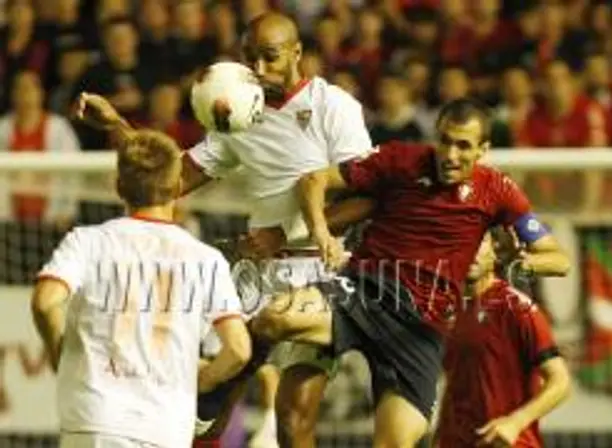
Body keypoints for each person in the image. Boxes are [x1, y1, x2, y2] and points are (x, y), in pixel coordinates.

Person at [74, 11, 373, 448]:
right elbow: (169, 179)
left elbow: (369, 197)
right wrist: (118, 124)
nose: (259, 69)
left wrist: (285, 236)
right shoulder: (236, 111)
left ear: (297, 53)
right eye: (250, 58)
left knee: (293, 421)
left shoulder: (334, 108)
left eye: (270, 57)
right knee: (200, 416)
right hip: (257, 275)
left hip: (318, 275)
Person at [248, 98, 571, 447]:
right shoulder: (400, 159)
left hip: (421, 325)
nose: (450, 154)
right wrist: (321, 232)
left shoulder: (498, 190)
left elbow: (558, 259)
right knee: (273, 320)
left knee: (396, 442)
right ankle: (229, 377)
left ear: (483, 150)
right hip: (365, 289)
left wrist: (517, 263)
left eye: (463, 146)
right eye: (445, 140)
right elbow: (314, 179)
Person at [30, 130, 252, 448]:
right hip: (165, 427)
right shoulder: (207, 260)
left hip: (94, 419)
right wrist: (204, 379)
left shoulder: (88, 241)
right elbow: (239, 350)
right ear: (178, 188)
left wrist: (57, 350)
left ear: (118, 187)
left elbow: (44, 302)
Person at [435, 232, 572, 447]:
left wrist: (515, 423)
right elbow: (455, 385)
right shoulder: (447, 311)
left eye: (479, 242)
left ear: (496, 252)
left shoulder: (517, 309)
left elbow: (561, 381)